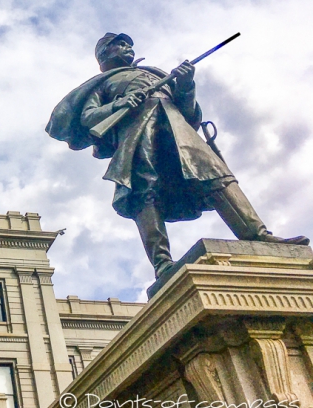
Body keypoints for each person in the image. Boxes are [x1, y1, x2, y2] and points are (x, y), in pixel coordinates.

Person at [45, 32, 309, 278]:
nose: (129, 48)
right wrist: (121, 103)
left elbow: (190, 114)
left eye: (129, 44)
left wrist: (185, 86)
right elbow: (89, 117)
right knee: (144, 194)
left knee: (216, 176)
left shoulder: (154, 74)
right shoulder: (103, 85)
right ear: (104, 54)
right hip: (137, 137)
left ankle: (257, 234)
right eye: (121, 44)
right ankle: (162, 264)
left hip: (179, 130)